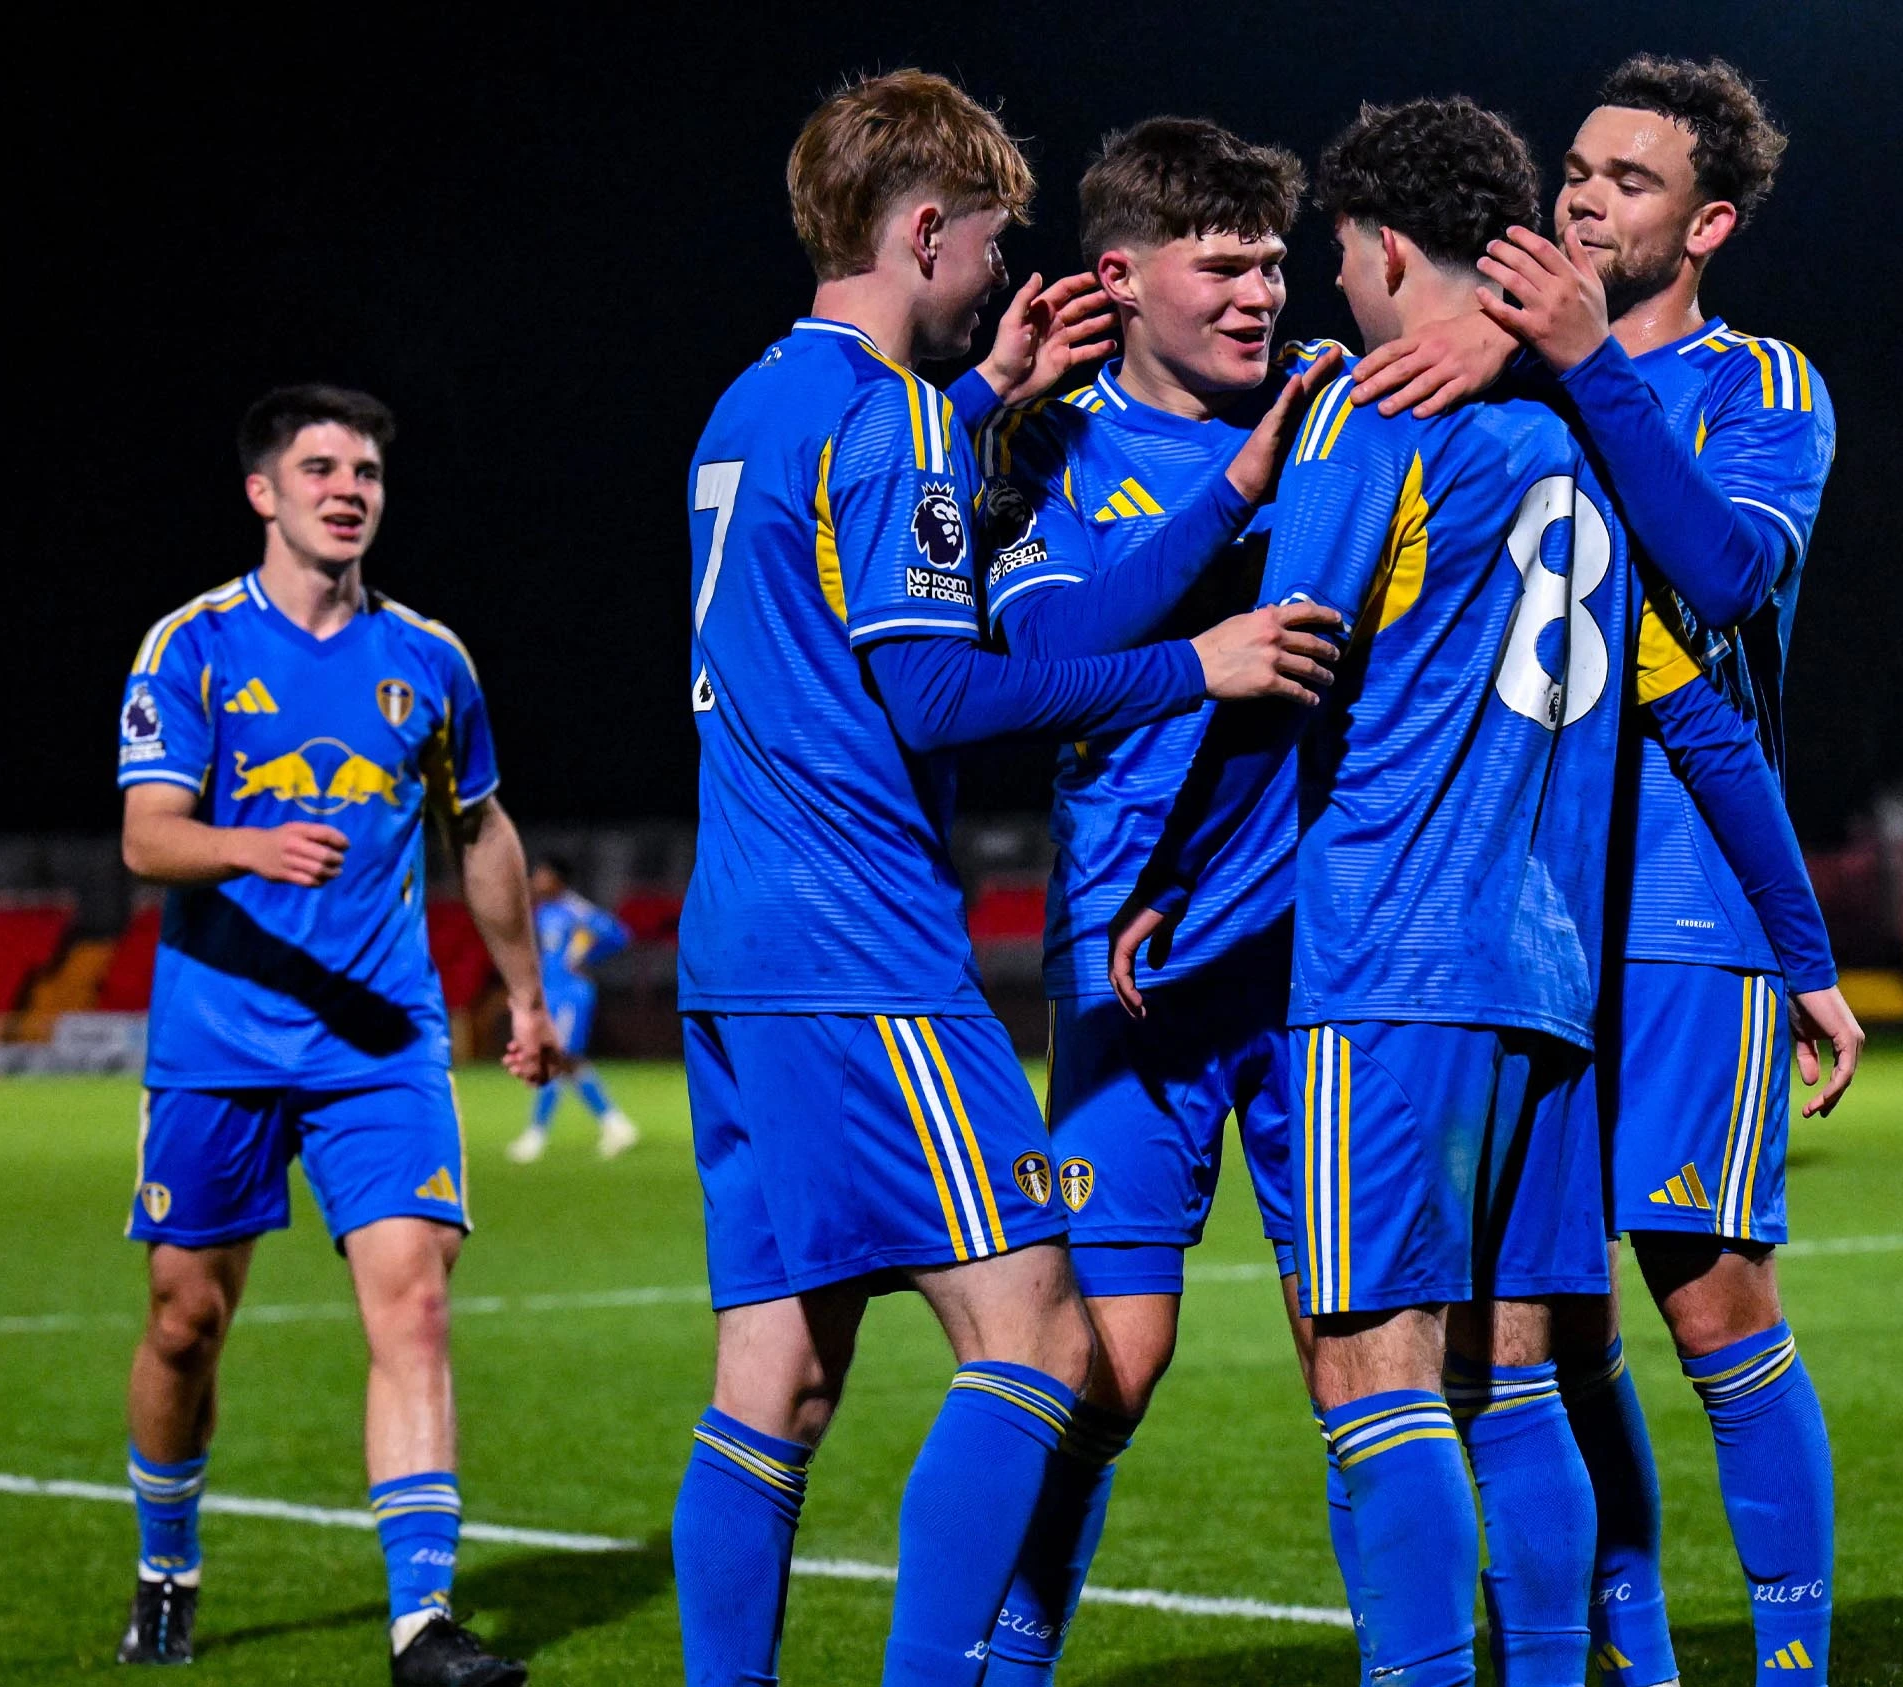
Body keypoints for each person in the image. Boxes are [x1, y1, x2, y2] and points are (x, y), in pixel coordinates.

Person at [662, 70, 1340, 1687]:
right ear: (921, 232)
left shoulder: (750, 405)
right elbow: (936, 692)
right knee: (1041, 1344)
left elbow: (837, 573)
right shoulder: (891, 415)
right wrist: (1203, 665)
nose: (1000, 279)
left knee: (775, 1379)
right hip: (860, 943)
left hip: (733, 944)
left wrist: (979, 409)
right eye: (986, 245)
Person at [1346, 55, 1860, 1686]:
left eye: (1627, 181)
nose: (1582, 198)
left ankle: (1787, 1664)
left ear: (1707, 222)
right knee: (1550, 1324)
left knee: (1708, 1304)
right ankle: (1627, 1659)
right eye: (1576, 167)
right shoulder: (1494, 386)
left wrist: (1580, 363)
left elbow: (1716, 575)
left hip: (1693, 909)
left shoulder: (1760, 383)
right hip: (1527, 907)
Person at [959, 116, 1350, 1682]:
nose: (1260, 291)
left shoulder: (1343, 420)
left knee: (1373, 1357)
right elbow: (1053, 667)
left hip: (1329, 951)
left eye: (1273, 259)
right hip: (1131, 957)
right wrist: (1234, 491)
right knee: (1105, 1360)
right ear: (1121, 277)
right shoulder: (1052, 457)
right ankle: (1001, 1659)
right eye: (1224, 263)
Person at [111, 383, 565, 1684]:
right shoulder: (190, 647)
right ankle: (166, 1559)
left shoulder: (429, 659)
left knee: (415, 1303)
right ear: (264, 490)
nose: (347, 485)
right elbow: (147, 833)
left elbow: (480, 829)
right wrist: (250, 841)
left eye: (364, 467)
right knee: (186, 1316)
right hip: (219, 1038)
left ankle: (422, 1624)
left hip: (382, 1039)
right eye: (318, 465)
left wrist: (524, 995)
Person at [504, 856, 642, 1162]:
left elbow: (618, 934)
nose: (536, 880)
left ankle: (536, 1135)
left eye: (542, 875)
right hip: (551, 993)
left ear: (558, 879)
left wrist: (584, 959)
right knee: (568, 1062)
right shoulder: (544, 912)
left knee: (554, 1058)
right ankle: (616, 1124)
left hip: (571, 994)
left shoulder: (574, 909)